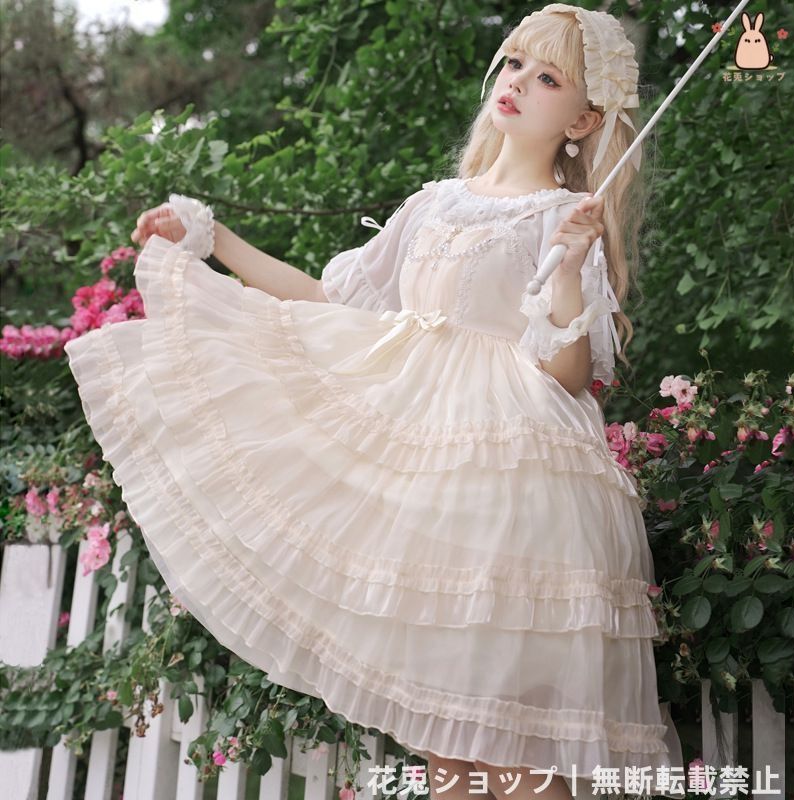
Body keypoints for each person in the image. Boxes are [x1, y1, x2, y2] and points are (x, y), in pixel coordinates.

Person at [64, 4, 686, 799]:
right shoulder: (433, 203)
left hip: (509, 489)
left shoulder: (563, 217)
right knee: (447, 753)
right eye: (514, 64)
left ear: (584, 119)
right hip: (421, 488)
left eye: (548, 78)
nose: (518, 82)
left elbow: (565, 372)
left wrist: (567, 266)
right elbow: (330, 299)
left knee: (515, 757)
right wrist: (212, 238)